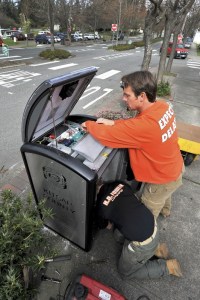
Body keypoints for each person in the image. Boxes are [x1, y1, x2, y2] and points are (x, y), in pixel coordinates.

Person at [82, 70, 184, 218]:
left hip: (161, 177)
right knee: (165, 195)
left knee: (147, 215)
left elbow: (108, 136)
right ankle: (166, 211)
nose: (124, 98)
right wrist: (113, 122)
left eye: (127, 95)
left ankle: (146, 240)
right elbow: (136, 125)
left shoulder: (146, 126)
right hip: (175, 166)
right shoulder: (163, 107)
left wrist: (88, 125)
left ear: (142, 96)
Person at [96, 181, 182, 279]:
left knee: (125, 273)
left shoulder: (101, 208)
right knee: (118, 234)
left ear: (97, 194)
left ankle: (168, 267)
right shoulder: (120, 184)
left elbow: (105, 225)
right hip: (152, 224)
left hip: (143, 244)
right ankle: (156, 250)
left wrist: (106, 218)